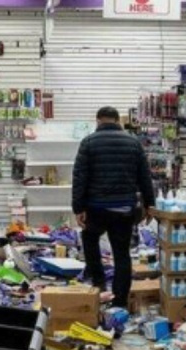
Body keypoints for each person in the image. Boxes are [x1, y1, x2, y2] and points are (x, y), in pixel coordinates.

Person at [72, 107, 155, 308]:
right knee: (122, 254)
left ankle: (99, 285)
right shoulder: (133, 143)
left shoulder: (88, 142)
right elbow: (145, 177)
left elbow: (80, 177)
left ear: (98, 120)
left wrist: (78, 208)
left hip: (96, 208)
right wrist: (149, 204)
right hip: (124, 209)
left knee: (90, 241)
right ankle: (119, 301)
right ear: (118, 121)